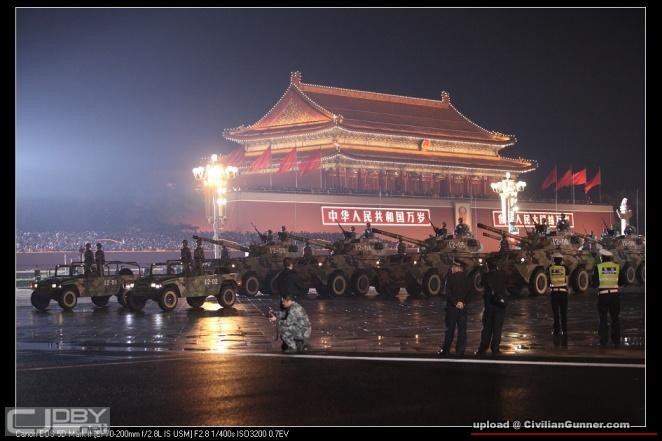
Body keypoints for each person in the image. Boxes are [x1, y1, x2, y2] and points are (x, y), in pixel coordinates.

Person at [439, 260, 471, 357]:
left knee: (450, 330)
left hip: (452, 308)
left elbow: (448, 293)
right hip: (463, 308)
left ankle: (446, 350)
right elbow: (470, 294)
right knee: (462, 330)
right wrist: (463, 303)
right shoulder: (468, 279)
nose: (451, 269)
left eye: (453, 267)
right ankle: (460, 350)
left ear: (458, 268)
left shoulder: (450, 278)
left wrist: (455, 302)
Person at [477, 260, 507, 356]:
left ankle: (483, 348)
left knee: (487, 329)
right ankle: (495, 349)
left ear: (488, 267)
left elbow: (480, 284)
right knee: (497, 329)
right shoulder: (502, 275)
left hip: (489, 306)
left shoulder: (485, 276)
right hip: (500, 306)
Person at [594, 249, 621, 347]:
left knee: (603, 318)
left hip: (603, 295)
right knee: (615, 318)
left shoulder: (598, 267)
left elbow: (595, 283)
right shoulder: (617, 267)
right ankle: (616, 341)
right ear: (610, 257)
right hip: (615, 295)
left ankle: (603, 341)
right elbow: (621, 281)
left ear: (602, 257)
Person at [548, 253, 569, 347]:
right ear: (561, 260)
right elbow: (567, 280)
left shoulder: (550, 268)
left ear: (554, 260)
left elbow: (548, 280)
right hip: (563, 293)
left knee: (555, 313)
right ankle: (565, 330)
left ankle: (556, 330)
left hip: (554, 293)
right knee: (564, 313)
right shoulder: (565, 268)